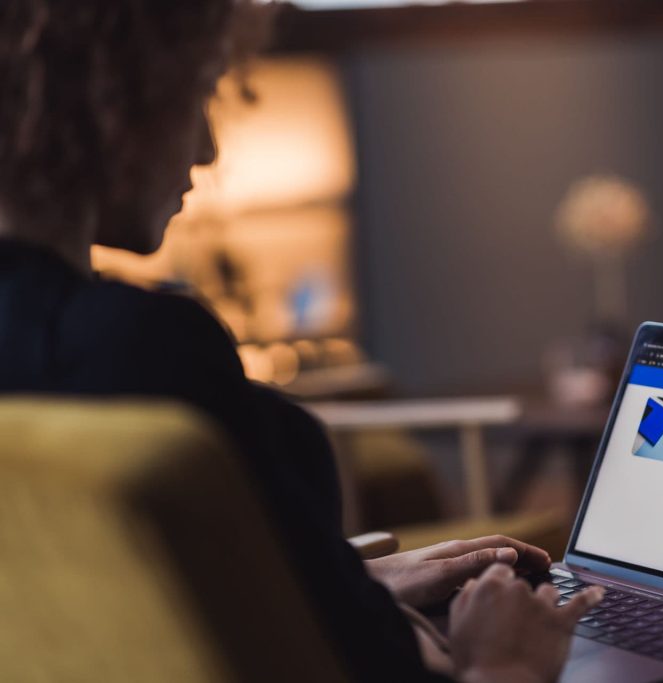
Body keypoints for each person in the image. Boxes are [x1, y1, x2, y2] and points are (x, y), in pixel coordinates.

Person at [0, 1, 602, 681]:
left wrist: (345, 584)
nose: (207, 147)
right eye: (198, 92)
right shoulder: (142, 355)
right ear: (106, 104)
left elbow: (122, 612)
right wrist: (508, 661)